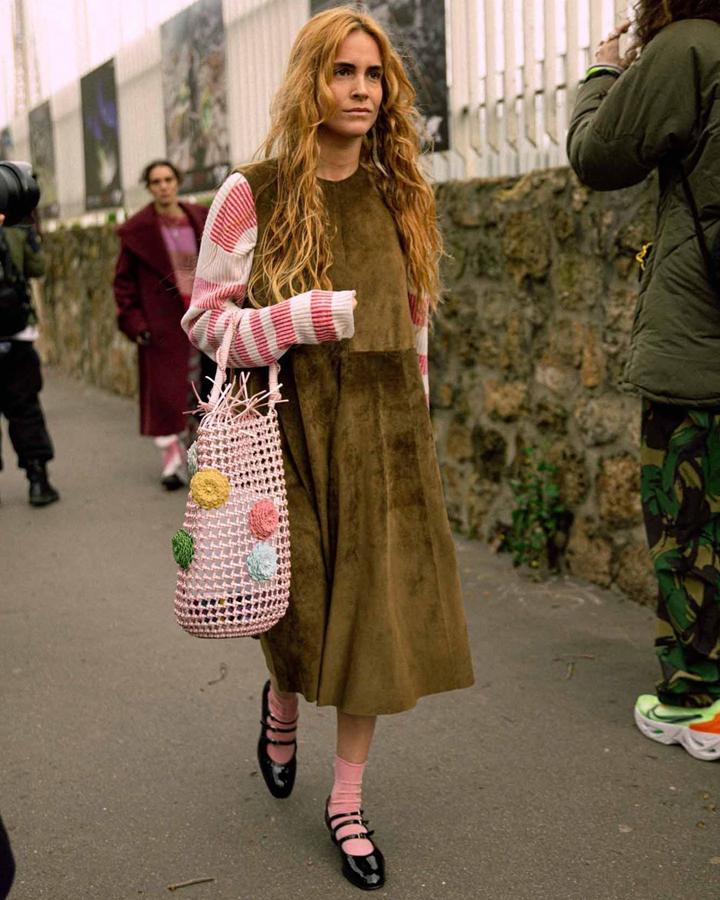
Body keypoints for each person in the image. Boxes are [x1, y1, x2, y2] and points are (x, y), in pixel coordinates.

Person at [182, 7, 475, 889]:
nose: (360, 89)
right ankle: (280, 703)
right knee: (299, 609)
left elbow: (414, 327)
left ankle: (345, 799)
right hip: (290, 437)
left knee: (373, 628)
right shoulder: (251, 192)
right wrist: (291, 321)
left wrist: (417, 424)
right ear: (311, 81)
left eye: (373, 74)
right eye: (343, 72)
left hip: (385, 441)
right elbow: (204, 321)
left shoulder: (401, 194)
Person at [567, 1, 720, 761]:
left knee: (690, 525)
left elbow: (598, 156)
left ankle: (699, 704)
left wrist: (603, 71)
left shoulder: (692, 47)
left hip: (700, 349)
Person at [113, 160, 212, 490]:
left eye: (168, 179)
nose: (163, 186)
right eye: (156, 181)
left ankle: (200, 459)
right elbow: (123, 284)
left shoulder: (199, 218)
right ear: (149, 186)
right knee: (170, 397)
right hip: (161, 325)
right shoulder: (137, 231)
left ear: (178, 182)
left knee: (202, 389)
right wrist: (136, 322)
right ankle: (172, 463)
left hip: (201, 319)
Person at [0, 211, 59, 506]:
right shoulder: (15, 226)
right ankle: (38, 480)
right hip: (16, 335)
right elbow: (37, 267)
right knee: (25, 410)